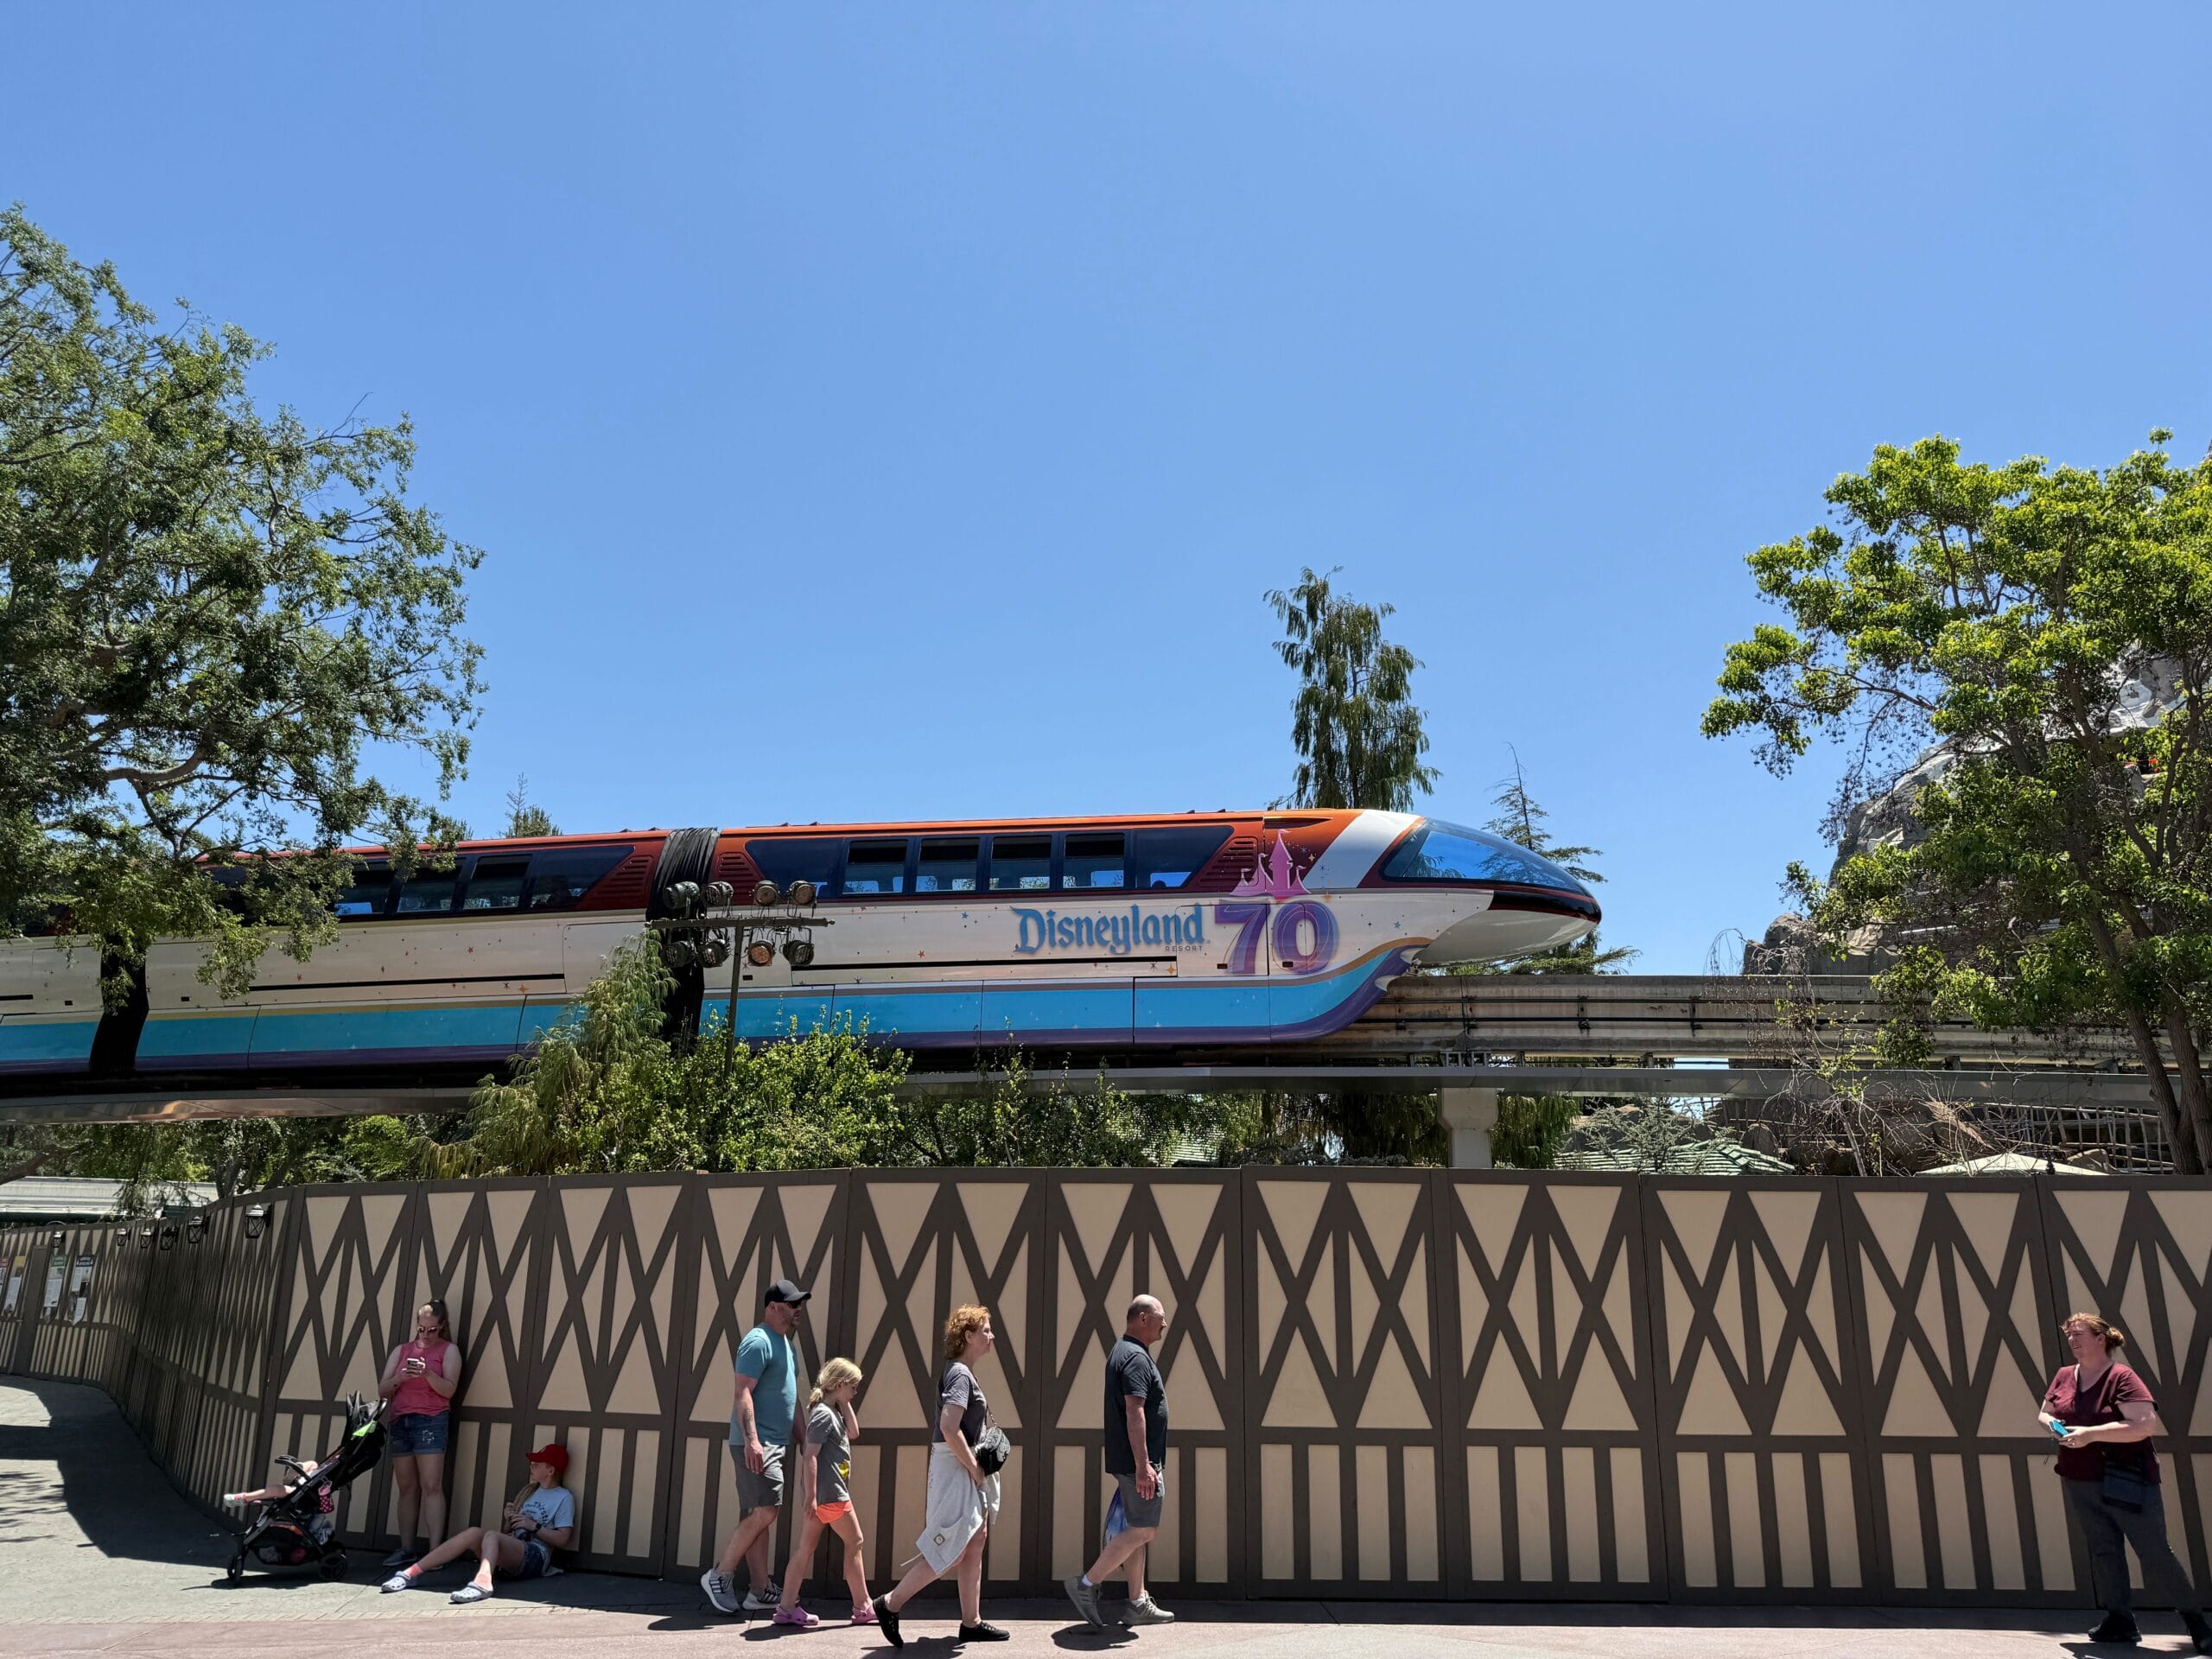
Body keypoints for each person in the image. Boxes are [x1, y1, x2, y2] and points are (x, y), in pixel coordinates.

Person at [2038, 1311, 2212, 1651]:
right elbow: (2044, 1412)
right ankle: (2120, 1620)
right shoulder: (2064, 1375)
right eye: (2069, 1334)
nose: (2072, 1340)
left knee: (2154, 1552)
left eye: (2079, 1334)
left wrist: (2090, 1434)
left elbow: (2145, 1424)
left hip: (2127, 1479)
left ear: (2100, 1339)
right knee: (2104, 1550)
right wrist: (2055, 1427)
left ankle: (2197, 1622)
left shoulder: (2122, 1377)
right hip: (2080, 1478)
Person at [875, 1305, 1006, 1646]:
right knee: (953, 1547)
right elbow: (949, 1427)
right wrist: (975, 1468)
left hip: (959, 1463)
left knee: (975, 1541)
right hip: (956, 1465)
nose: (992, 1336)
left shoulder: (962, 1372)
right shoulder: (960, 1374)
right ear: (968, 1336)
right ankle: (890, 1603)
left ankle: (971, 1622)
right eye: (986, 1330)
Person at [702, 1277, 810, 1616]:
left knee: (760, 1513)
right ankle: (720, 1575)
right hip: (758, 1443)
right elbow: (743, 1393)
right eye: (793, 1304)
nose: (799, 1309)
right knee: (767, 1511)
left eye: (800, 1304)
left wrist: (805, 1441)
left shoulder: (786, 1346)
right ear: (773, 1307)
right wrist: (752, 1440)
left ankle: (760, 1590)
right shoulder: (758, 1341)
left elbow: (791, 1400)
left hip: (775, 1442)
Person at [1065, 1294, 1173, 1629]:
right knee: (1144, 1529)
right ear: (1143, 1318)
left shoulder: (1123, 1352)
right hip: (1136, 1464)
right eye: (1160, 1317)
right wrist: (1143, 1466)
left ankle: (1137, 1603)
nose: (1165, 1324)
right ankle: (1086, 1584)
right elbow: (1134, 1411)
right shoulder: (1135, 1358)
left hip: (1132, 1462)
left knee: (1134, 1529)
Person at [379, 1443, 575, 1605]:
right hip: (515, 1549)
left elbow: (563, 1539)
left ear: (551, 1470)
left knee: (491, 1535)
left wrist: (534, 1526)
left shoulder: (563, 1497)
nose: (531, 1467)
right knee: (474, 1532)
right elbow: (506, 1532)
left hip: (537, 1556)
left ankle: (483, 1583)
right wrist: (510, 1518)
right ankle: (410, 1573)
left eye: (537, 1464)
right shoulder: (529, 1491)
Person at [772, 1357, 875, 1628]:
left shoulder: (832, 1412)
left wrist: (844, 1401)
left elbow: (854, 1432)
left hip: (824, 1496)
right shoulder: (823, 1414)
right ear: (839, 1384)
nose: (855, 1391)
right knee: (855, 1542)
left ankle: (786, 1608)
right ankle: (863, 1606)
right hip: (831, 1495)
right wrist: (812, 1496)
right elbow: (810, 1455)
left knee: (805, 1548)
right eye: (852, 1386)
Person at [377, 1298, 461, 1567]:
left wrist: (427, 1374)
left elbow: (449, 1390)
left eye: (432, 1329)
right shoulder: (401, 1350)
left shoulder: (449, 1351)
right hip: (401, 1419)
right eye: (421, 1329)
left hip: (431, 1419)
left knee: (431, 1485)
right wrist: (400, 1377)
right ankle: (406, 1548)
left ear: (442, 1326)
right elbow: (382, 1389)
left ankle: (435, 1552)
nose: (426, 1334)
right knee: (406, 1487)